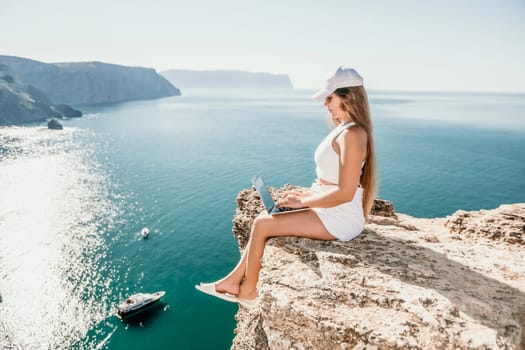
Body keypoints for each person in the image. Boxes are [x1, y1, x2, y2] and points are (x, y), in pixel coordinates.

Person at [196, 66, 377, 307]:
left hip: (340, 218)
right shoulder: (345, 130)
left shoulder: (352, 134)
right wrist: (305, 193)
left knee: (262, 224)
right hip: (330, 210)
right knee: (264, 215)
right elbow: (331, 181)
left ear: (349, 96)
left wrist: (302, 202)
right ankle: (233, 280)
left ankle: (249, 292)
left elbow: (345, 192)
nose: (325, 104)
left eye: (329, 97)